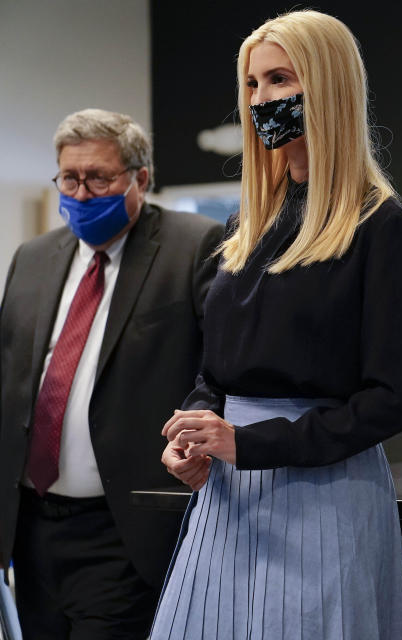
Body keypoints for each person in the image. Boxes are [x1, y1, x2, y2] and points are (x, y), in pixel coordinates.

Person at [150, 10, 402, 640]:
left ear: (327, 87)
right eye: (251, 86)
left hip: (324, 495)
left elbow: (393, 399)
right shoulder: (242, 230)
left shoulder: (382, 230)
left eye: (278, 80)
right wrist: (195, 432)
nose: (260, 101)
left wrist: (251, 443)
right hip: (226, 497)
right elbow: (213, 370)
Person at [0, 108, 223, 638]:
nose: (79, 194)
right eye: (69, 178)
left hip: (123, 530)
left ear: (140, 179)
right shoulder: (32, 258)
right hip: (30, 530)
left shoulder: (193, 246)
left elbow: (219, 368)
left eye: (98, 178)